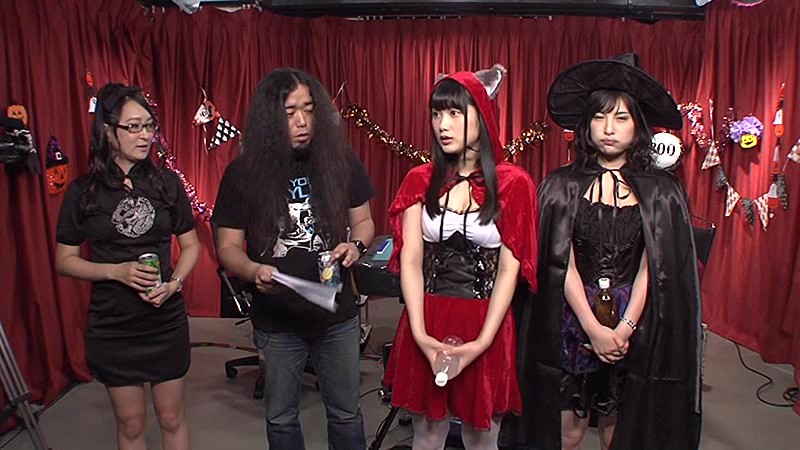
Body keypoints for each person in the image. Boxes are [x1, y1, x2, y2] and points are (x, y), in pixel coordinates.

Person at [517, 54, 702, 450]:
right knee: (569, 431)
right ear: (586, 125)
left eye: (621, 118)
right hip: (572, 320)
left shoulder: (662, 191)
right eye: (600, 117)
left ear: (638, 126)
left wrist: (623, 330)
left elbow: (655, 269)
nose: (609, 129)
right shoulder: (560, 185)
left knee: (618, 431)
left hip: (635, 322)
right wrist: (592, 328)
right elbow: (559, 262)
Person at [212, 68, 375, 450]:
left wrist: (356, 246)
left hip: (336, 316)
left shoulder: (340, 160)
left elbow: (364, 222)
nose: (302, 121)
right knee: (282, 418)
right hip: (278, 320)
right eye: (290, 112)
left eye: (309, 109)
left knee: (346, 413)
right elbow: (228, 247)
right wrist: (253, 270)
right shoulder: (242, 174)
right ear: (270, 118)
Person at [382, 65, 539, 450]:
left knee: (482, 436)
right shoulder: (420, 179)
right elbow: (412, 261)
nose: (443, 124)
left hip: (486, 320)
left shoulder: (513, 183)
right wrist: (420, 334)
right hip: (427, 315)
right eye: (437, 113)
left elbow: (509, 271)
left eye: (455, 113)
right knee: (427, 434)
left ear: (481, 116)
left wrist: (482, 342)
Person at [55, 83, 201, 450]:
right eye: (133, 127)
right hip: (113, 324)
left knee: (171, 418)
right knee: (132, 424)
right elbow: (64, 261)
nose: (145, 135)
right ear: (108, 131)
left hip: (164, 319)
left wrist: (175, 283)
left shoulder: (167, 184)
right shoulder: (84, 192)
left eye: (149, 126)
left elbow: (191, 246)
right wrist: (116, 271)